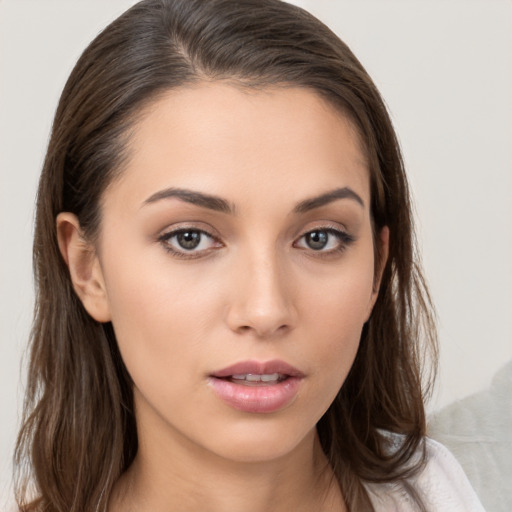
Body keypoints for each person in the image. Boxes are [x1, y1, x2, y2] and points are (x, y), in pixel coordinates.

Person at [13, 0, 485, 511]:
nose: (265, 310)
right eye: (189, 238)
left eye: (320, 238)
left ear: (376, 268)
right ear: (88, 269)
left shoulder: (440, 493)